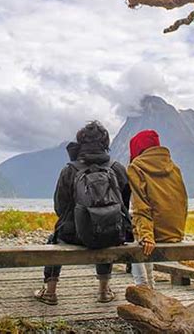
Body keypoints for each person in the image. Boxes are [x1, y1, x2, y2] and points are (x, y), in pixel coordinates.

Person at [34, 121, 131, 305]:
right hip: (110, 235)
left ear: (80, 142)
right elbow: (123, 204)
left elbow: (59, 207)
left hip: (74, 235)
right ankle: (103, 291)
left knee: (54, 238)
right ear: (106, 143)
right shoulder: (117, 168)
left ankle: (50, 292)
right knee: (106, 227)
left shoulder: (69, 169)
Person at [127, 129, 188, 289]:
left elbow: (141, 205)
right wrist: (178, 231)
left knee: (133, 237)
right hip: (174, 233)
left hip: (154, 236)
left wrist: (147, 236)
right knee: (140, 231)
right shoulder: (174, 167)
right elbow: (183, 201)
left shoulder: (136, 167)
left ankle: (142, 287)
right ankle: (151, 286)